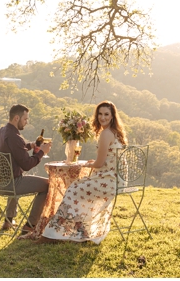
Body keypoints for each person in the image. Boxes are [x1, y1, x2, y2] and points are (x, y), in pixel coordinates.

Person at [40, 101, 128, 244]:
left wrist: (91, 164)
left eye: (106, 114)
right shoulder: (114, 132)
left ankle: (54, 235)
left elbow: (99, 164)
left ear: (112, 116)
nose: (102, 117)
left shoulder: (106, 134)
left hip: (109, 182)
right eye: (100, 114)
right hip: (116, 180)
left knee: (72, 190)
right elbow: (107, 159)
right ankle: (80, 230)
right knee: (77, 187)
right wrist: (94, 162)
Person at [0, 104, 52, 234]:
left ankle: (8, 220)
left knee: (15, 174)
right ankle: (31, 225)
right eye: (25, 119)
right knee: (47, 185)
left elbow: (12, 149)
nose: (26, 122)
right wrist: (41, 153)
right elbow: (27, 165)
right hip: (10, 185)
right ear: (17, 118)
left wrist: (30, 146)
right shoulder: (15, 137)